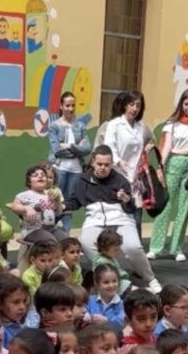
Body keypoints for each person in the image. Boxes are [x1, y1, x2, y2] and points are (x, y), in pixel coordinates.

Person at [66, 146, 160, 292]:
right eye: (99, 164)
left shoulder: (120, 179)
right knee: (86, 242)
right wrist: (61, 206)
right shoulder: (82, 181)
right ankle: (112, 275)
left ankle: (150, 279)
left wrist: (126, 199)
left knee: (133, 247)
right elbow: (74, 201)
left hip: (121, 219)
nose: (103, 168)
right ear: (93, 162)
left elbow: (131, 208)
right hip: (94, 220)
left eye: (107, 164)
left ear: (111, 164)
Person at [147, 89, 188, 261]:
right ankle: (156, 246)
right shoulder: (172, 124)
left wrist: (183, 150)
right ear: (181, 104)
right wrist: (161, 166)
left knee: (184, 208)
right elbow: (167, 146)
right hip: (172, 166)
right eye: (186, 104)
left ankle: (176, 248)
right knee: (165, 206)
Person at [104, 91, 157, 235]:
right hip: (118, 174)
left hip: (136, 177)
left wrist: (147, 148)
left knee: (136, 216)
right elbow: (109, 146)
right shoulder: (115, 124)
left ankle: (135, 249)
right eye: (131, 104)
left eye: (138, 105)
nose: (135, 109)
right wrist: (118, 161)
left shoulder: (141, 127)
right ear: (125, 106)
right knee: (117, 215)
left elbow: (152, 140)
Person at [46, 92, 92, 232]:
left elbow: (87, 149)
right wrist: (78, 147)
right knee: (54, 199)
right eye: (67, 105)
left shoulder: (80, 126)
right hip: (60, 168)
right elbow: (57, 150)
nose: (70, 109)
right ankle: (51, 230)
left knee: (69, 202)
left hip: (76, 170)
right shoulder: (54, 126)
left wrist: (70, 146)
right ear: (61, 106)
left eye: (73, 105)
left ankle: (65, 234)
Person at [10, 165, 63, 230]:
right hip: (33, 230)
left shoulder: (50, 196)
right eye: (35, 175)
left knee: (68, 240)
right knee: (50, 240)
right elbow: (14, 206)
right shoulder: (24, 195)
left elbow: (59, 213)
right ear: (29, 181)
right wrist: (26, 208)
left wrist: (58, 201)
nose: (40, 176)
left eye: (43, 175)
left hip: (51, 229)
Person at [88, 264, 125, 330]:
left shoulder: (122, 305)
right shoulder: (90, 301)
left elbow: (122, 323)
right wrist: (89, 318)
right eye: (106, 282)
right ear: (97, 284)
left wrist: (107, 321)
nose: (111, 285)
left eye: (114, 281)